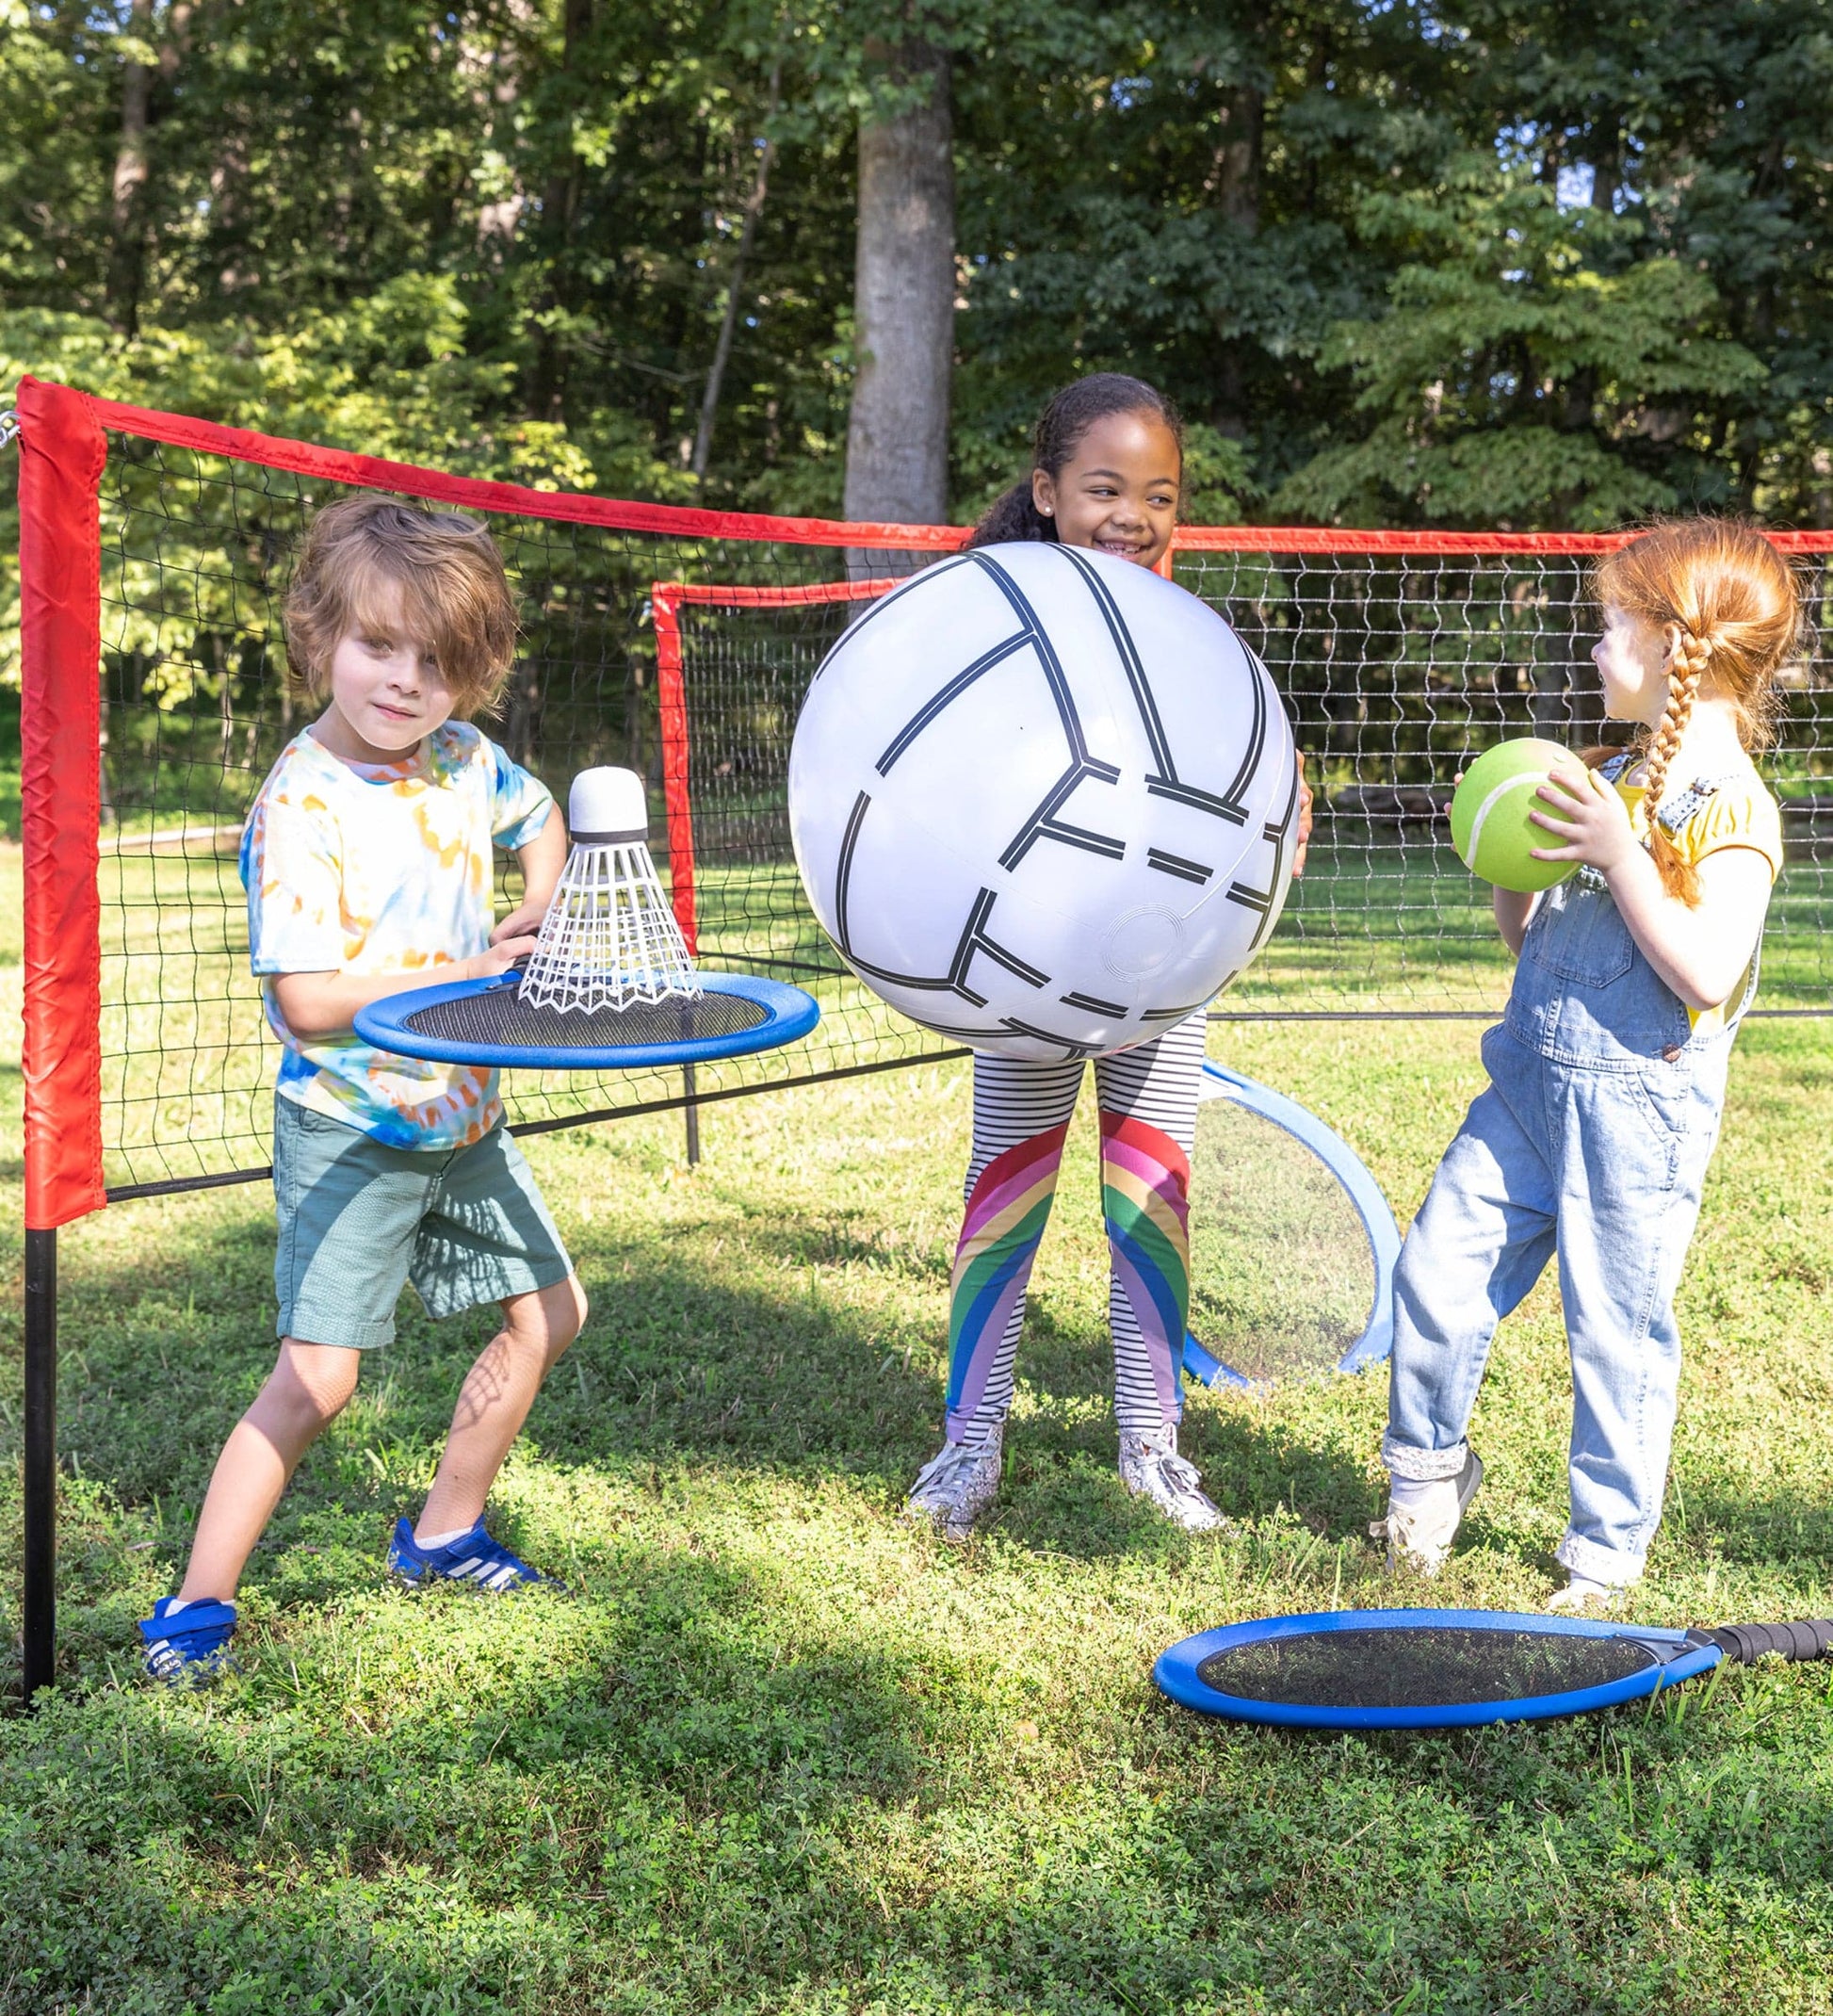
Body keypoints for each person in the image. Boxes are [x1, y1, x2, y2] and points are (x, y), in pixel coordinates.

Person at [139, 494, 589, 1684]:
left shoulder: (462, 757)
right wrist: (475, 965)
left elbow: (537, 815)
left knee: (551, 1313)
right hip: (350, 1125)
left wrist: (538, 896)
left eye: (438, 662)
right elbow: (308, 1001)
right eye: (379, 646)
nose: (405, 682)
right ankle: (194, 1608)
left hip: (463, 1113)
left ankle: (441, 1533)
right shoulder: (300, 802)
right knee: (317, 1378)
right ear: (320, 634)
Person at [903, 372, 1311, 1539]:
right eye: (1101, 488)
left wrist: (1281, 819)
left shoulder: (1191, 642)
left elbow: (1261, 778)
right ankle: (967, 1445)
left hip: (1160, 979)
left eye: (1157, 494)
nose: (1130, 515)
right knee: (1005, 1202)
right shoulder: (991, 624)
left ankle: (1153, 1448)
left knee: (1150, 1204)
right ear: (1044, 491)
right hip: (1022, 975)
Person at [1372, 519, 1799, 1608]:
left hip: (1638, 1114)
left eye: (1612, 624)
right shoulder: (1600, 771)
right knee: (1433, 1271)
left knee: (1613, 1329)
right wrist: (1508, 864)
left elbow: (1703, 973)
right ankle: (1426, 1477)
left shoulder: (1733, 812)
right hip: (1524, 1082)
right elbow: (1531, 946)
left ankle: (1602, 1553)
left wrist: (1619, 853)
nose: (1595, 646)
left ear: (1671, 644)